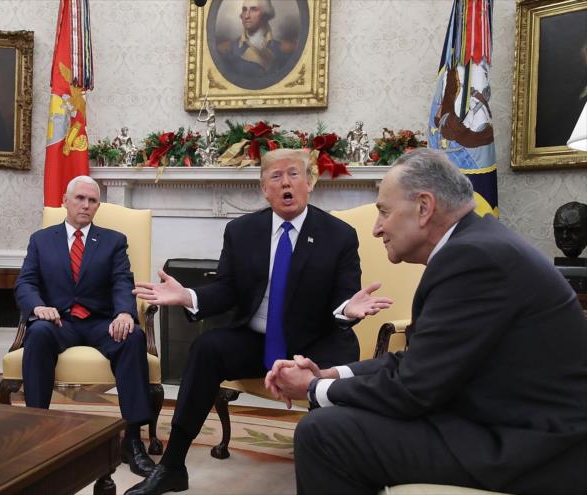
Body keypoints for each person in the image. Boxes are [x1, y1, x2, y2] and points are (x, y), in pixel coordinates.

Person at [265, 148, 587, 494]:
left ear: (423, 207)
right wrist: (333, 374)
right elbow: (421, 360)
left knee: (323, 434)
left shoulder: (473, 258)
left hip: (531, 446)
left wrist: (312, 389)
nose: (376, 229)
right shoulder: (476, 245)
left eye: (384, 212)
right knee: (334, 421)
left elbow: (413, 390)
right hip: (505, 421)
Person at [127, 148, 391, 495]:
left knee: (336, 374)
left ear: (309, 183)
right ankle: (173, 466)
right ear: (265, 189)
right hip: (259, 340)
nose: (286, 183)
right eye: (276, 177)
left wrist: (347, 309)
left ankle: (331, 472)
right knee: (207, 348)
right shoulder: (242, 231)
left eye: (294, 174)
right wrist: (189, 296)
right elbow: (226, 289)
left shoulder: (338, 234)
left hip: (318, 341)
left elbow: (344, 296)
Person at [14, 176, 156, 478]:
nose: (86, 205)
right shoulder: (41, 239)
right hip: (59, 321)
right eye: (80, 198)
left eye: (92, 200)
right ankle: (37, 428)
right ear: (65, 201)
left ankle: (133, 440)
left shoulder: (113, 240)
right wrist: (37, 307)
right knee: (37, 333)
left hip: (101, 322)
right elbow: (26, 283)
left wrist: (125, 313)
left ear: (97, 206)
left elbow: (122, 281)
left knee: (133, 337)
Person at [215, 0, 298, 90]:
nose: (246, 16)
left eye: (253, 9)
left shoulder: (286, 50)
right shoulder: (226, 51)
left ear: (265, 15)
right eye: (244, 10)